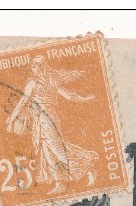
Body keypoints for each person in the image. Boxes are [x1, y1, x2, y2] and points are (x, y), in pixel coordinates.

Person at [6, 55, 98, 196]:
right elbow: (23, 102)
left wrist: (84, 99)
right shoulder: (35, 82)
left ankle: (87, 168)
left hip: (47, 118)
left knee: (58, 150)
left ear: (43, 66)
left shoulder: (45, 81)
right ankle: (59, 183)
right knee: (47, 150)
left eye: (36, 65)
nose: (34, 68)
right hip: (39, 119)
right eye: (33, 65)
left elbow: (68, 95)